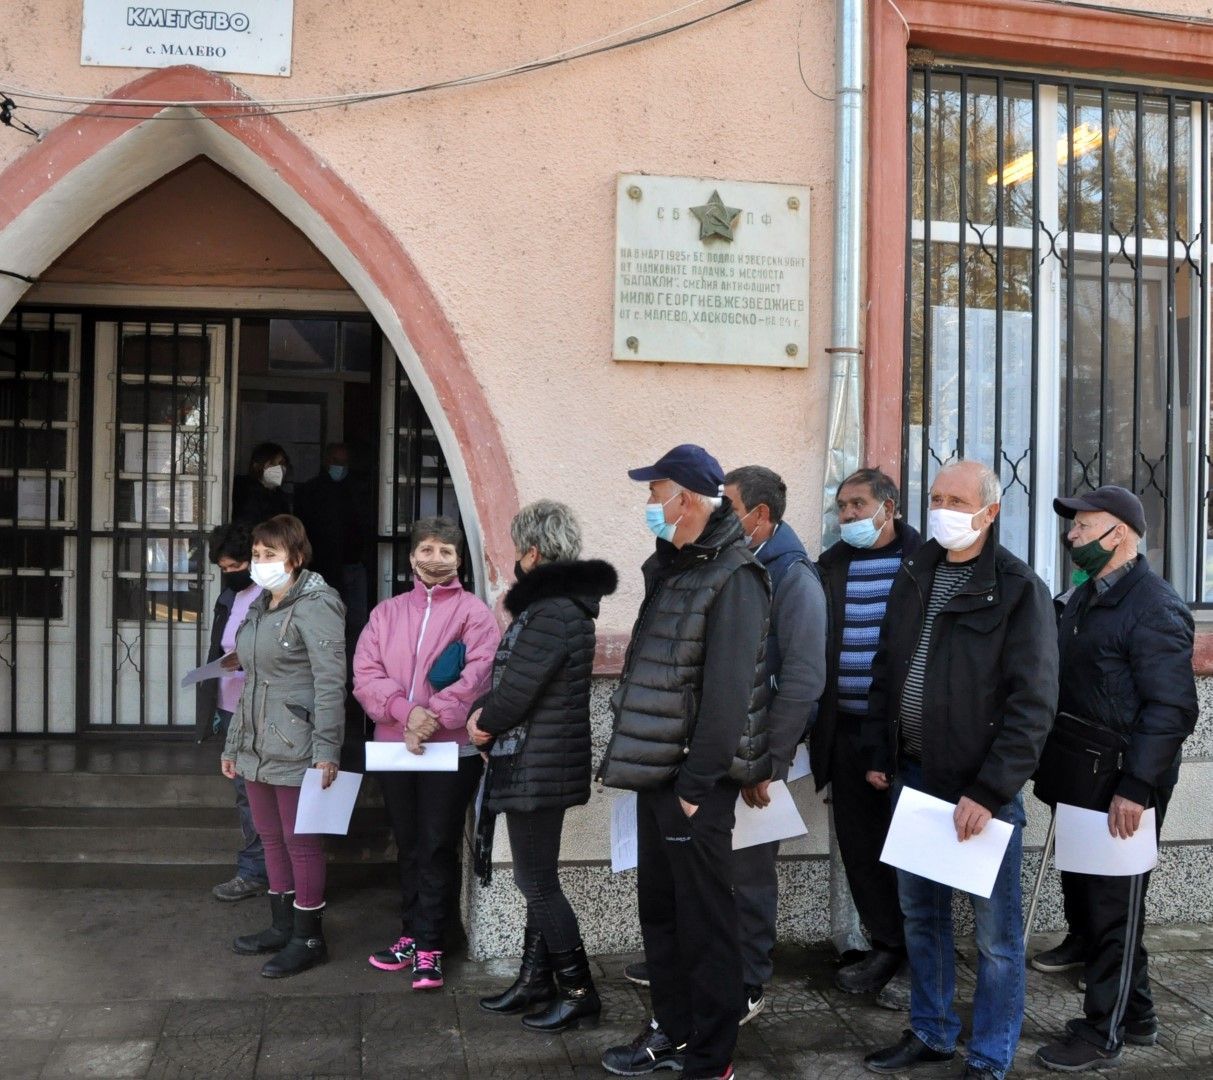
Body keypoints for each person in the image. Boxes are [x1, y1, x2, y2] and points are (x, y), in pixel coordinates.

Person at [861, 460, 1057, 1080]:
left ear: (990, 512)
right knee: (922, 918)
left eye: (956, 499)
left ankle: (990, 1055)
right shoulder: (915, 573)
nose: (941, 507)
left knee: (997, 941)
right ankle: (932, 1032)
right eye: (935, 496)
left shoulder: (1019, 589)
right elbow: (886, 671)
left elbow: (1032, 705)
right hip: (912, 781)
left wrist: (991, 789)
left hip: (980, 795)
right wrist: (879, 754)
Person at [598, 444, 770, 1080]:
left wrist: (697, 786)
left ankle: (710, 1056)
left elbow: (728, 694)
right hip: (658, 773)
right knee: (663, 916)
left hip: (693, 784)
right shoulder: (674, 567)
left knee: (705, 925)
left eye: (655, 493)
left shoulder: (735, 574)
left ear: (688, 500)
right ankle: (670, 1029)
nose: (648, 505)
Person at [1034, 486, 1197, 1072]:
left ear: (1119, 535)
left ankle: (1103, 1032)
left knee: (1115, 910)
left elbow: (1173, 709)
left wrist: (1135, 787)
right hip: (1078, 771)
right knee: (1092, 902)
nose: (1071, 536)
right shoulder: (1086, 596)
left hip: (1121, 781)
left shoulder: (1154, 607)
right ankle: (1141, 1013)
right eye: (1073, 527)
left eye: (1083, 527)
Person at [467, 500, 618, 1031]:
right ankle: (536, 979)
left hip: (537, 763)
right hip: (539, 760)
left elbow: (517, 692)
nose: (515, 558)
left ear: (533, 552)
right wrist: (483, 713)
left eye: (516, 549)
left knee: (537, 883)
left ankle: (579, 990)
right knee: (541, 876)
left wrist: (481, 721)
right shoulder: (560, 605)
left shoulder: (552, 609)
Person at [353, 516, 499, 991]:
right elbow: (365, 673)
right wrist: (404, 713)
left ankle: (433, 943)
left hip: (449, 753)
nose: (435, 559)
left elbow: (479, 674)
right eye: (427, 549)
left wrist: (428, 717)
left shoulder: (475, 614)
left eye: (446, 552)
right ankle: (411, 933)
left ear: (459, 560)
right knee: (410, 844)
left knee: (438, 844)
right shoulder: (386, 613)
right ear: (412, 555)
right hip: (397, 749)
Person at [220, 514, 347, 978]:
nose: (259, 563)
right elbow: (251, 679)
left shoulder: (317, 604)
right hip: (255, 742)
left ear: (294, 557)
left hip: (297, 743)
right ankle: (282, 927)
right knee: (270, 838)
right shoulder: (259, 604)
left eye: (269, 555)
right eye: (256, 555)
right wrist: (233, 744)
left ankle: (309, 937)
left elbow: (331, 683)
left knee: (302, 843)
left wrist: (327, 749)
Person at [721, 465, 826, 1024]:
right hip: (728, 748)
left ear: (759, 515)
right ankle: (716, 964)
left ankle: (748, 980)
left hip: (763, 755)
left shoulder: (793, 576)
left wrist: (772, 760)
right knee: (721, 868)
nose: (719, 514)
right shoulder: (742, 564)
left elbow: (805, 677)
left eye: (728, 504)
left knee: (751, 873)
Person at [816, 468, 922, 1007]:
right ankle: (886, 945)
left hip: (908, 736)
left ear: (890, 507)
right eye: (841, 507)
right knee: (862, 848)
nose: (849, 516)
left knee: (912, 852)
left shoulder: (925, 565)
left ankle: (921, 960)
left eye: (858, 504)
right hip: (846, 733)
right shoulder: (831, 567)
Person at [197, 522, 267, 902]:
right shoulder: (228, 597)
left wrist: (246, 662)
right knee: (244, 792)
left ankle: (257, 871)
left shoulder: (270, 596)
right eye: (223, 568)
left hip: (258, 708)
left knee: (255, 793)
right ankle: (256, 869)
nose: (230, 574)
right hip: (229, 706)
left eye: (235, 566)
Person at [294, 443, 374, 644]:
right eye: (337, 462)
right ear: (326, 461)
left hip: (354, 565)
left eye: (345, 462)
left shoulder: (356, 489)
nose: (341, 467)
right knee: (326, 624)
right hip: (324, 568)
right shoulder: (311, 491)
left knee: (357, 624)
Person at [231, 442, 291, 526]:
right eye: (272, 464)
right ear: (256, 465)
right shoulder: (243, 491)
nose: (279, 469)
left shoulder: (280, 498)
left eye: (282, 464)